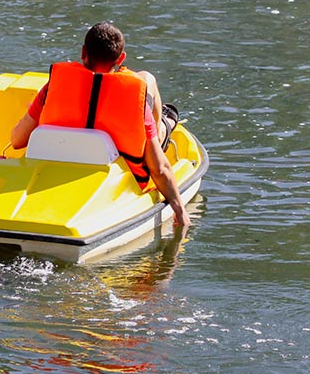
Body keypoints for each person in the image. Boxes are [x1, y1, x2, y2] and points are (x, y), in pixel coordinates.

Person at [10, 22, 190, 227]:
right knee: (147, 79)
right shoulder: (133, 98)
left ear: (83, 52)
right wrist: (180, 209)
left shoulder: (54, 85)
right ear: (121, 59)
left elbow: (17, 140)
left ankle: (162, 126)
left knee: (145, 80)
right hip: (116, 169)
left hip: (51, 167)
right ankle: (161, 129)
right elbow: (159, 169)